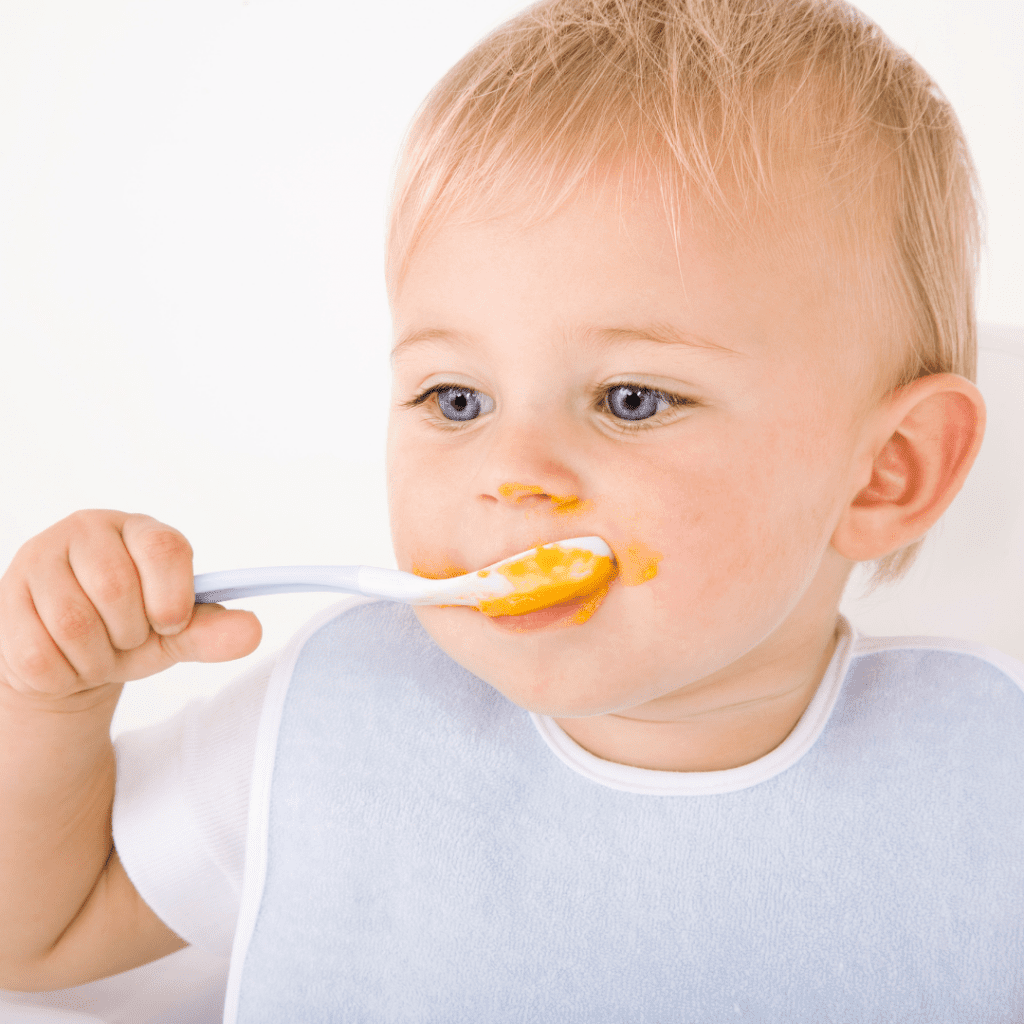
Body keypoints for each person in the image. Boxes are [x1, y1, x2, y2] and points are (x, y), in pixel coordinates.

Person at [2, 0, 1021, 1018]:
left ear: (886, 471)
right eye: (458, 400)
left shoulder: (987, 776)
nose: (513, 469)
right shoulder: (341, 716)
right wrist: (48, 700)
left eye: (632, 399)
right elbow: (37, 936)